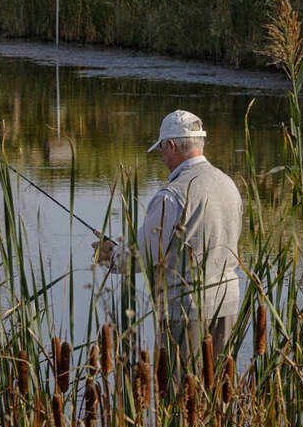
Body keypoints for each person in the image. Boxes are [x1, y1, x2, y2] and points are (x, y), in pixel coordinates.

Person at [94, 109, 243, 363]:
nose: (162, 158)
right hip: (228, 302)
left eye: (162, 150)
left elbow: (142, 256)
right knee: (217, 389)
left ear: (172, 145)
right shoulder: (228, 183)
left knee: (180, 391)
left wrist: (112, 254)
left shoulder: (171, 195)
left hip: (185, 311)